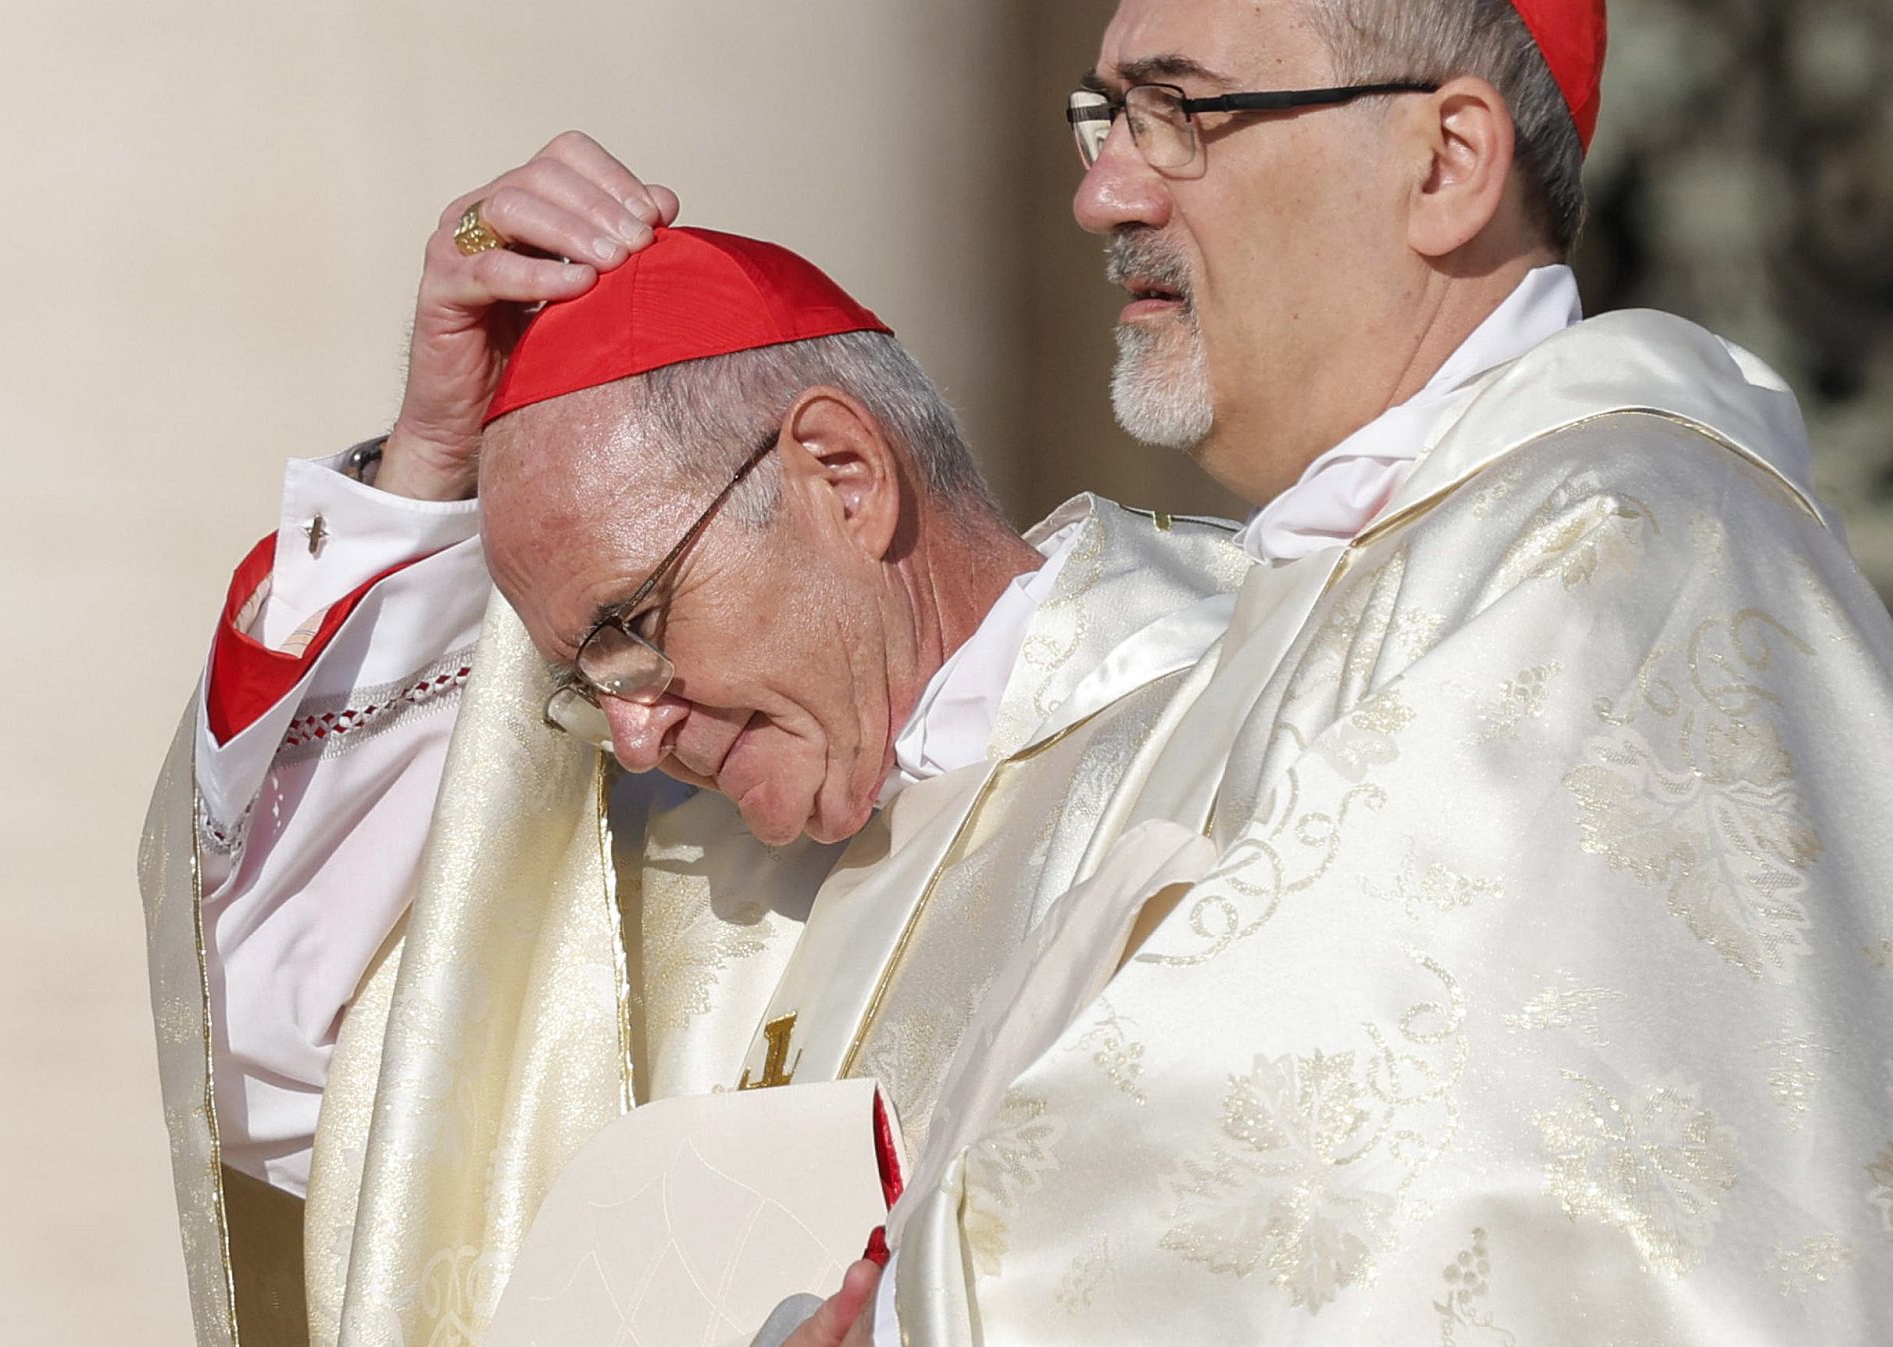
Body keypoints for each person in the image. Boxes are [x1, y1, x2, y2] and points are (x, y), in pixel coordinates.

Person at [768, 0, 1893, 1343]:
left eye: (1182, 111)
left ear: (1446, 163)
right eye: (1107, 116)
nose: (1105, 190)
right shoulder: (1321, 585)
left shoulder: (1620, 563)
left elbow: (1361, 1175)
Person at [137, 210, 1248, 1342]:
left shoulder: (1242, 720)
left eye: (634, 625)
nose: (631, 735)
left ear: (843, 476)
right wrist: (425, 464)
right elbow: (284, 1067)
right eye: (583, 679)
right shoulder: (658, 859)